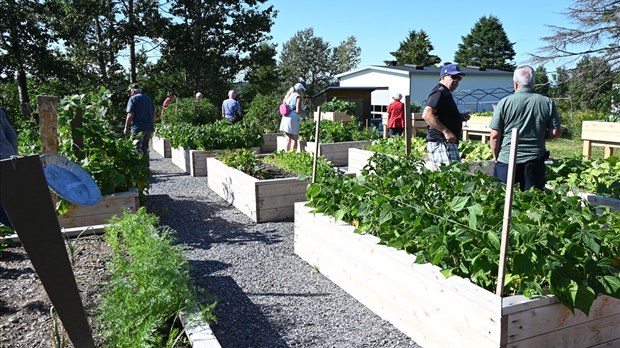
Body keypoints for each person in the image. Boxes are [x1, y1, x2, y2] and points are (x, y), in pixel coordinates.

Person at [489, 65, 562, 191]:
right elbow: (555, 132)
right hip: (534, 160)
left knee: (502, 201)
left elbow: (495, 135)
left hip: (506, 160)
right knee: (531, 203)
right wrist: (540, 135)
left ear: (515, 84)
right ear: (534, 83)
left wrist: (496, 157)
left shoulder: (504, 102)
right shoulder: (547, 102)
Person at [422, 63, 470, 167]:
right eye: (453, 77)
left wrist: (459, 117)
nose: (456, 80)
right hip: (441, 142)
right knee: (450, 176)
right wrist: (446, 132)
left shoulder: (445, 93)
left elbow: (442, 115)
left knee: (453, 176)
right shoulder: (439, 92)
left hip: (446, 142)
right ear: (443, 77)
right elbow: (427, 115)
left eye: (459, 78)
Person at [124, 83, 155, 159]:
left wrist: (126, 127)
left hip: (137, 128)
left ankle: (139, 168)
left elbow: (130, 115)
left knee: (136, 149)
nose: (130, 93)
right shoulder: (148, 99)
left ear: (133, 91)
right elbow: (154, 114)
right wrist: (152, 124)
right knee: (145, 148)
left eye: (130, 91)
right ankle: (146, 167)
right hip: (148, 127)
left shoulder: (133, 99)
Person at [0, 107, 18, 228]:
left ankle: (9, 233)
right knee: (12, 199)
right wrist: (13, 155)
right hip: (7, 159)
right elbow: (13, 137)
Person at [279, 83, 306, 151]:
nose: (303, 92)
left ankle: (286, 156)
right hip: (293, 119)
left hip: (285, 118)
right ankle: (293, 155)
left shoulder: (289, 96)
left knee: (288, 139)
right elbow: (297, 110)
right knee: (294, 138)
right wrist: (304, 112)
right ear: (299, 89)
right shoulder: (298, 96)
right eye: (302, 90)